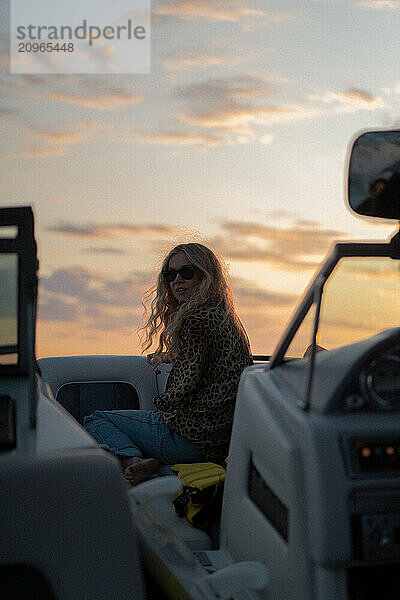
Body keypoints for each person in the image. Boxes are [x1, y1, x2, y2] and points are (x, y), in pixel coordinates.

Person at [84, 243, 253, 486]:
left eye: (187, 273)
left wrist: (158, 409)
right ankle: (153, 464)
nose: (177, 281)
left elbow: (180, 389)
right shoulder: (224, 317)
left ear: (205, 275)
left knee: (96, 419)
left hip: (189, 438)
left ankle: (132, 461)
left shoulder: (195, 320)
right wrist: (168, 357)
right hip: (219, 442)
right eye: (170, 275)